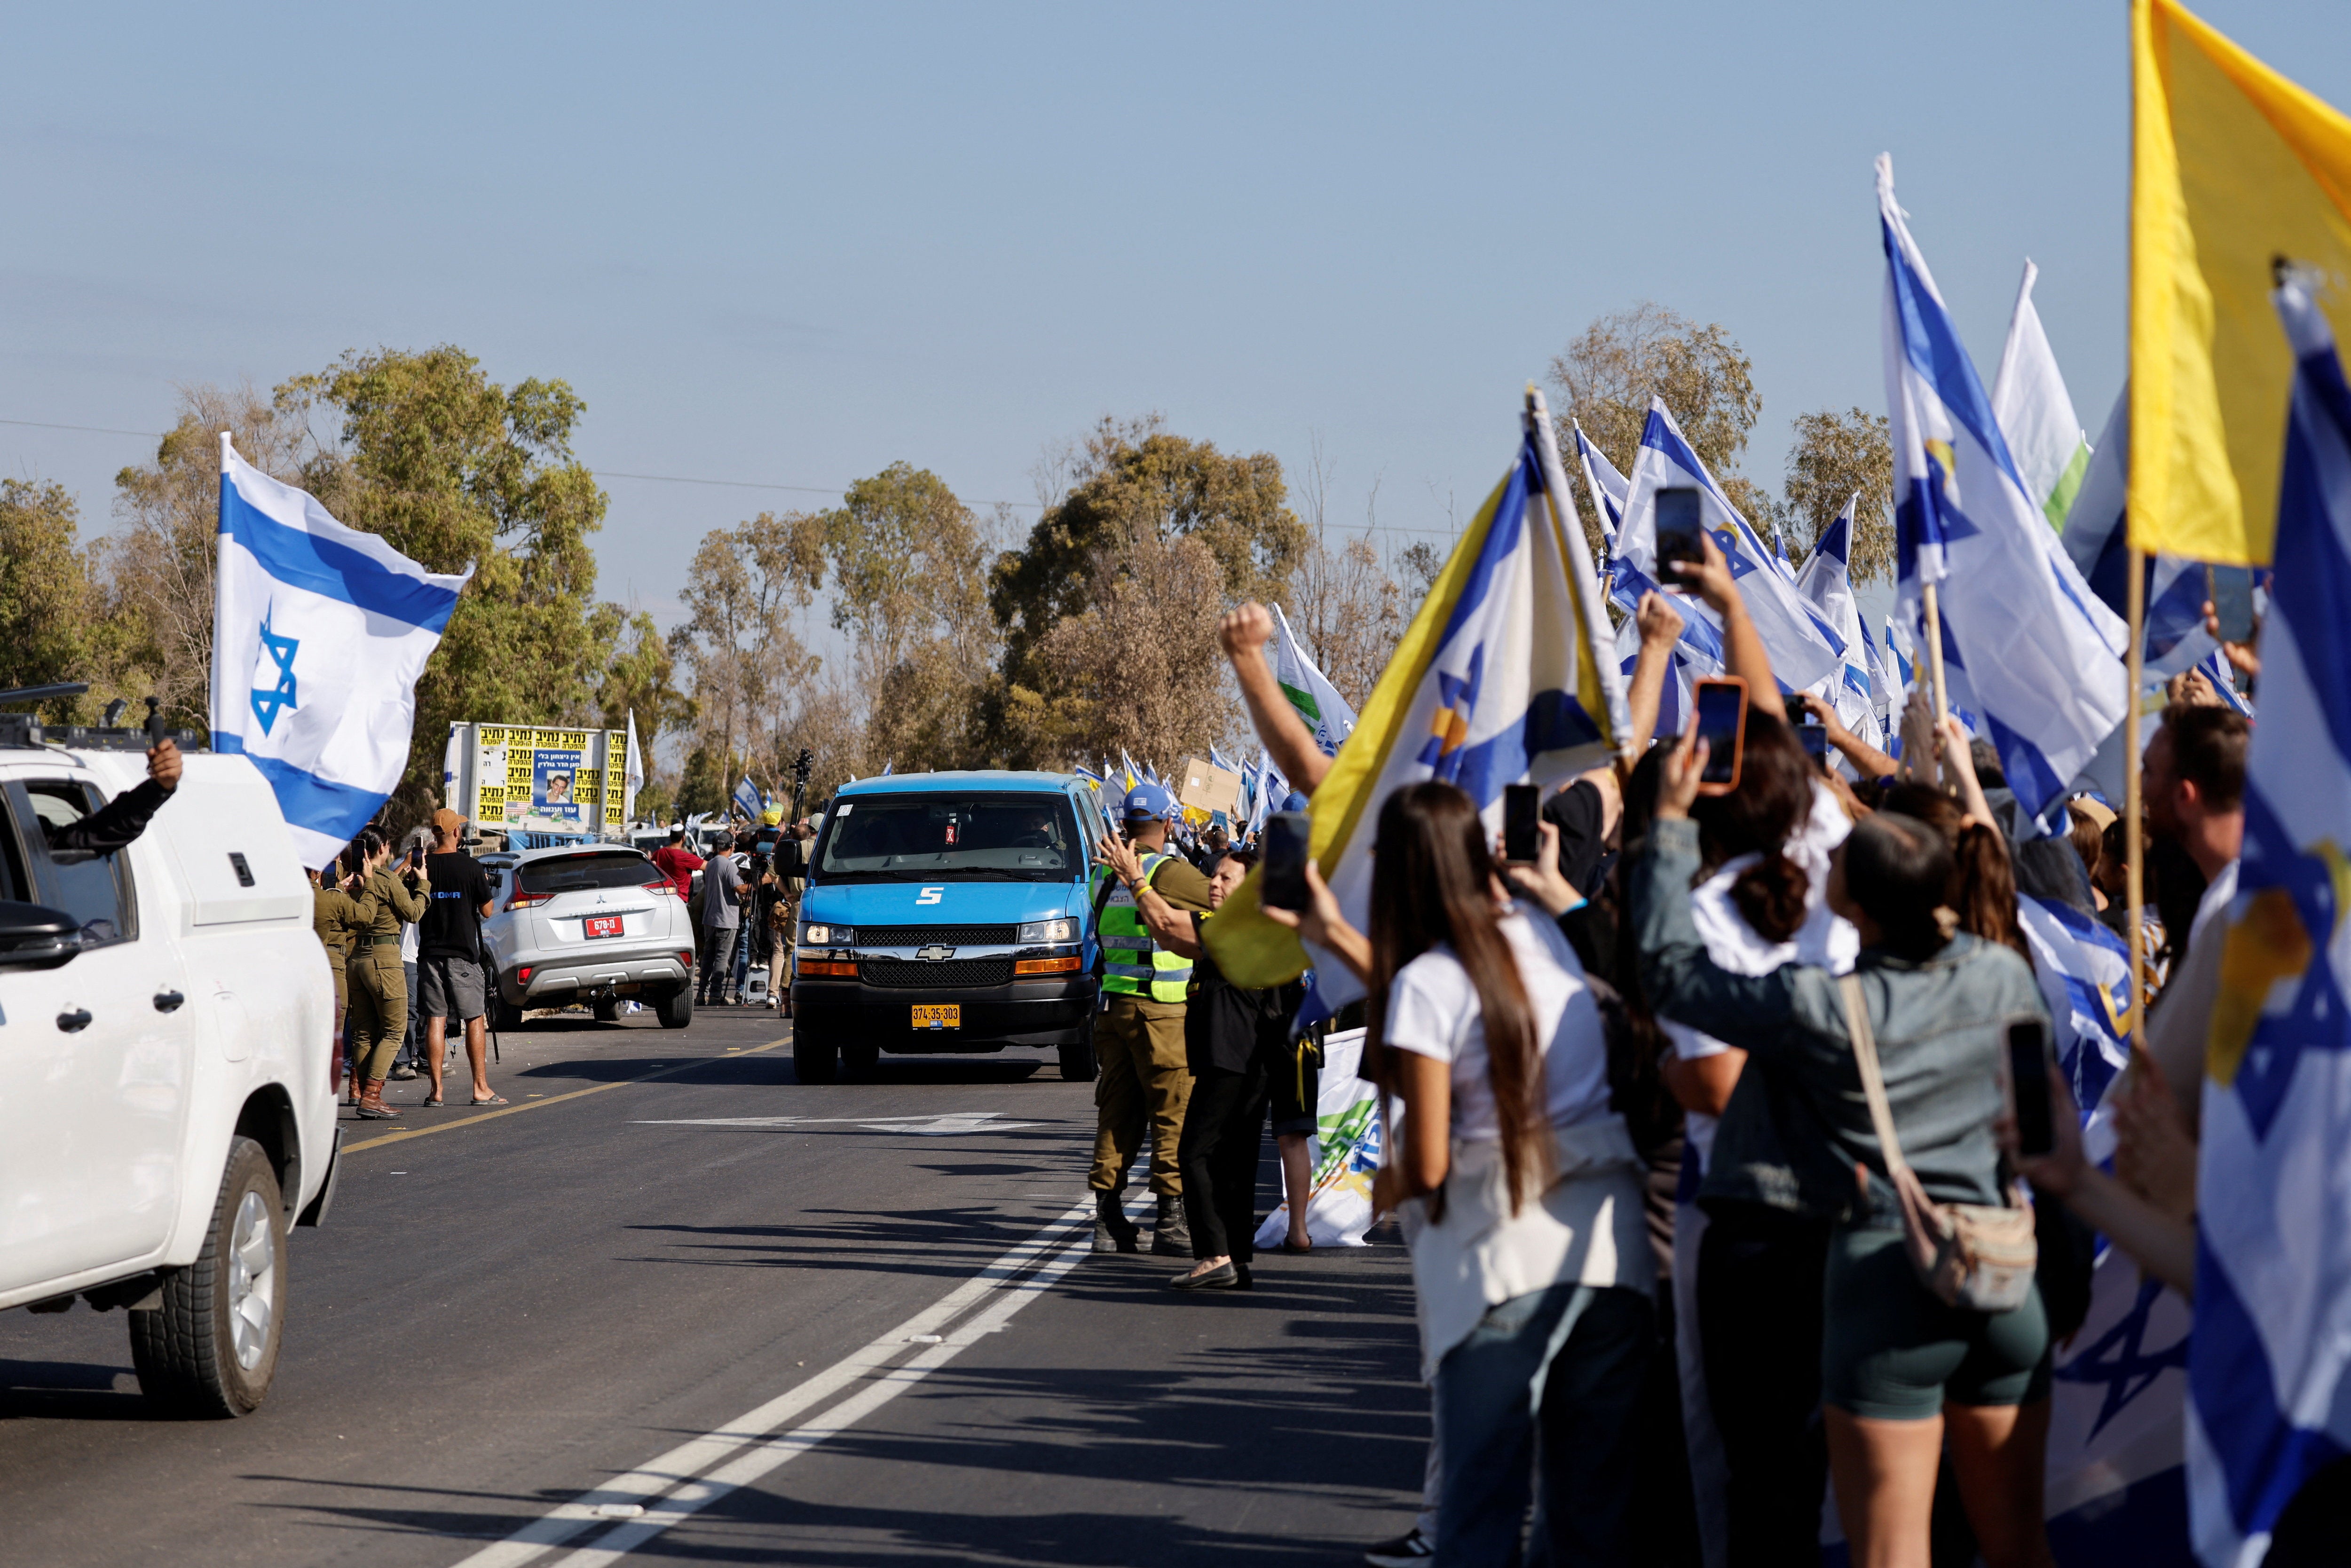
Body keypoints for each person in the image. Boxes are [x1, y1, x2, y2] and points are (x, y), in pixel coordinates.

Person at [1635, 744, 2057, 1568]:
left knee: (1885, 1548)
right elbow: (2044, 1140)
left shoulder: (1826, 1008)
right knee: (2014, 1544)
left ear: (1853, 903)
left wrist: (1668, 828)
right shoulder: (2007, 977)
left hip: (1888, 1281)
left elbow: (1674, 976)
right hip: (2005, 1276)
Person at [1270, 780, 1653, 1566]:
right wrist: (1334, 932)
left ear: (1399, 875)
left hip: (1499, 1269)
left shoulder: (1429, 982)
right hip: (1610, 1256)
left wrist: (1382, 1186)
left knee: (1480, 1511)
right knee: (1586, 1517)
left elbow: (1429, 1161)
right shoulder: (1546, 935)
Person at [1095, 839, 1293, 1289]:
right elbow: (1173, 939)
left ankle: (1215, 1255)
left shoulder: (1232, 925)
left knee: (1195, 1153)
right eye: (1215, 875)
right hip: (1250, 1061)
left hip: (1230, 1060)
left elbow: (1167, 925)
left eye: (1226, 878)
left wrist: (1135, 878)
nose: (1214, 884)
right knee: (1233, 1160)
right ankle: (1235, 1257)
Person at [1087, 781, 1215, 1255]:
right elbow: (1226, 900)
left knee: (1117, 1114)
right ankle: (1170, 1220)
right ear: (1168, 823)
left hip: (1113, 1009)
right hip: (1161, 1011)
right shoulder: (1167, 873)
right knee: (1172, 1114)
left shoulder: (1102, 873)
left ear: (1125, 823)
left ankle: (1107, 1220)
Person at [419, 808, 503, 1107]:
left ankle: (436, 1091)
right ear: (456, 832)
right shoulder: (470, 867)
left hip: (430, 954)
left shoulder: (424, 866)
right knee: (475, 1018)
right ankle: (480, 1088)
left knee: (436, 1019)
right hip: (463, 956)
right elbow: (488, 910)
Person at [347, 828, 430, 1121]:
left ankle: (360, 1091)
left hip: (357, 957)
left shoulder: (353, 879)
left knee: (363, 1032)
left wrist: (404, 875)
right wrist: (423, 885)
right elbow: (413, 913)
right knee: (395, 1031)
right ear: (383, 847)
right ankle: (372, 1096)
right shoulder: (385, 879)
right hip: (384, 959)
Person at [696, 836, 745, 1006]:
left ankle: (701, 993)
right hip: (726, 918)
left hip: (710, 918)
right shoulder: (729, 866)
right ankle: (716, 994)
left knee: (708, 957)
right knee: (722, 958)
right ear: (731, 846)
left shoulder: (711, 864)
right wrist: (760, 882)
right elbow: (740, 889)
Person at [652, 821, 703, 903]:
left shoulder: (659, 853)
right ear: (684, 838)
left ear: (670, 837)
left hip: (664, 899)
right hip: (681, 901)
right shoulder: (686, 858)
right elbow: (709, 866)